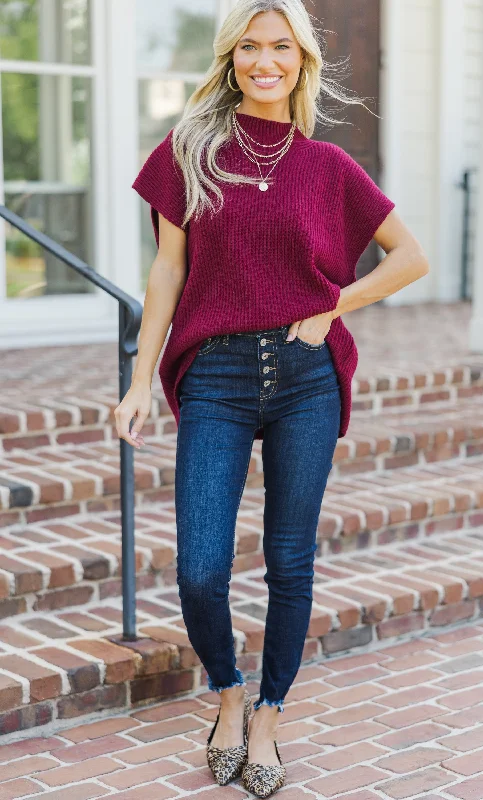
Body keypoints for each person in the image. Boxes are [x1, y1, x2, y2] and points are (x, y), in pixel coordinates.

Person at [115, 0, 429, 795]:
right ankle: (225, 694)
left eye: (279, 47)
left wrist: (332, 309)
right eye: (248, 46)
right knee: (199, 569)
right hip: (215, 372)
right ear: (229, 59)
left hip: (303, 376)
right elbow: (166, 274)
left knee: (289, 562)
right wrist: (137, 381)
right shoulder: (191, 150)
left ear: (300, 62)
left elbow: (408, 259)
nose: (264, 60)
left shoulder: (328, 167)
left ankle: (267, 716)